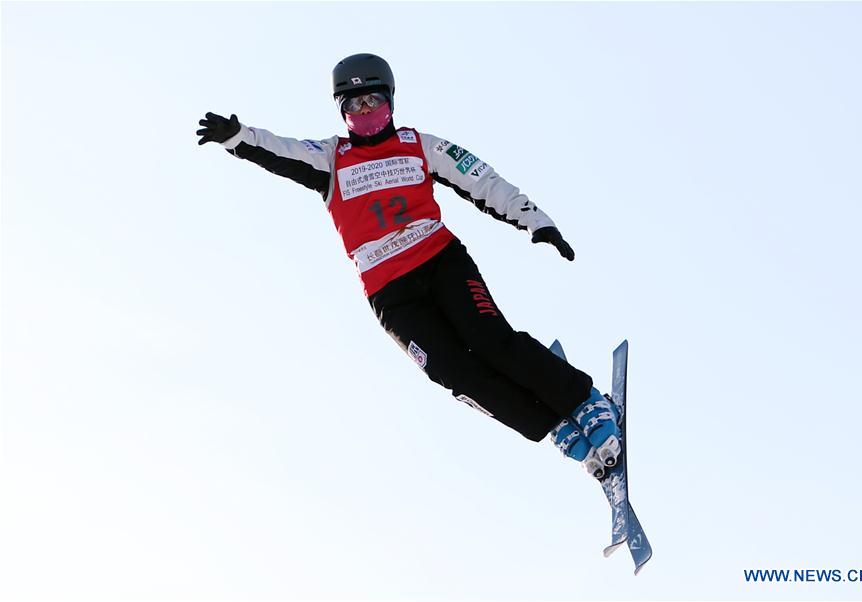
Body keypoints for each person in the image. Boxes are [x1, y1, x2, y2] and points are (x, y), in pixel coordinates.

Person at [196, 53, 621, 475]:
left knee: (488, 339)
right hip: (389, 290)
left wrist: (536, 221)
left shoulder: (420, 146)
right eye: (354, 104)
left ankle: (584, 400)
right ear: (342, 111)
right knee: (452, 372)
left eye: (372, 101)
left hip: (439, 260)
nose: (365, 111)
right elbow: (280, 150)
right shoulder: (330, 158)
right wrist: (238, 137)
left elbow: (482, 180)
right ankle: (551, 423)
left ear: (390, 102)